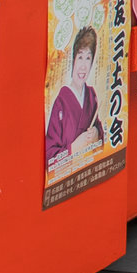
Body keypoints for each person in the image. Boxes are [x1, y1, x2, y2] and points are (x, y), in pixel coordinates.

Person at [46, 26, 104, 167]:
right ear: (73, 60)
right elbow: (49, 156)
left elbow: (99, 129)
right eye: (80, 57)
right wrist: (73, 148)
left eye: (88, 58)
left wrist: (96, 133)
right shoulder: (61, 102)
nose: (83, 66)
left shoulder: (91, 95)